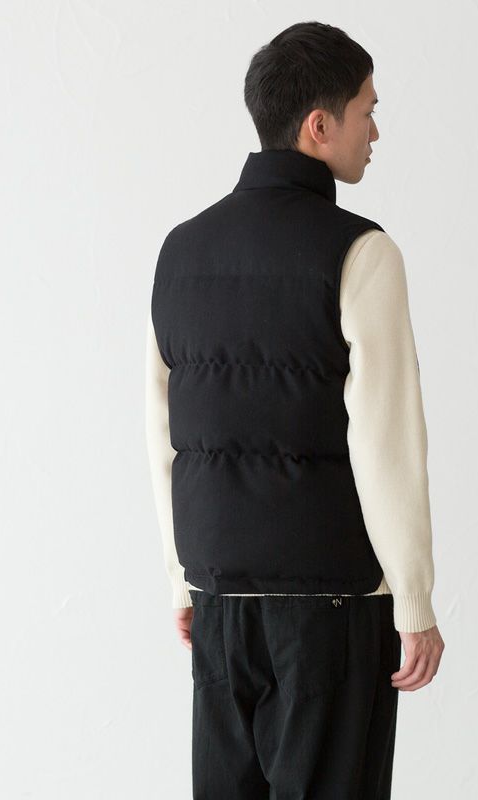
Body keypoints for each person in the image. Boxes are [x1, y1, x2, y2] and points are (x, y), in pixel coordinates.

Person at [145, 20, 445, 799]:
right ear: (319, 126)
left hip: (219, 603)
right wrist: (414, 600)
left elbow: (165, 435)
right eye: (367, 110)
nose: (375, 132)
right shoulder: (362, 252)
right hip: (330, 608)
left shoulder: (181, 251)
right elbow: (387, 441)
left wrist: (182, 579)